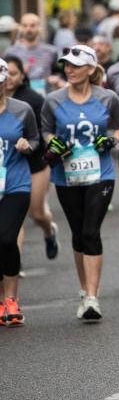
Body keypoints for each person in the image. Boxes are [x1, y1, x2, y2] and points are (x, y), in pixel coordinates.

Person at [41, 45, 119, 322]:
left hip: (100, 174)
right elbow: (46, 130)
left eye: (76, 65)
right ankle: (83, 289)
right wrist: (53, 144)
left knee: (91, 231)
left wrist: (111, 139)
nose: (69, 69)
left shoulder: (108, 98)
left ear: (90, 69)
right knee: (77, 234)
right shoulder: (53, 100)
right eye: (66, 65)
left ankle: (92, 297)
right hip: (67, 176)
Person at [3, 55, 59, 259]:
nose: (7, 78)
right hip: (6, 167)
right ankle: (12, 264)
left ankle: (49, 231)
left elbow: (43, 134)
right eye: (4, 73)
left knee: (36, 213)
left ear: (22, 75)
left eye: (13, 73)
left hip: (35, 164)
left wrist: (28, 145)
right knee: (13, 220)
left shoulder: (32, 101)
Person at [0, 59, 40, 326]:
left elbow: (36, 139)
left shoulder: (21, 109)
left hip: (15, 184)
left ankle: (11, 298)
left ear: (4, 81)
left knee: (5, 238)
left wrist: (27, 145)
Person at [6, 13, 61, 96]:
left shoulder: (51, 51)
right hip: (20, 99)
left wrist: (56, 80)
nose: (28, 29)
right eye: (25, 26)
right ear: (20, 28)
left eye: (32, 26)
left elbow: (59, 73)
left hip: (45, 99)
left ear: (39, 28)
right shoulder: (10, 52)